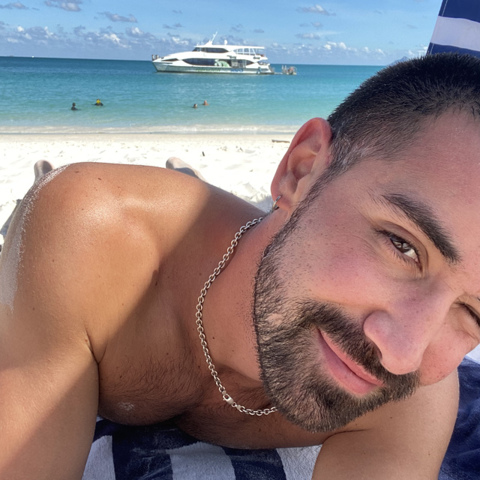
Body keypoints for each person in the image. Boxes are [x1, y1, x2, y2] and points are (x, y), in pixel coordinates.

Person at [1, 52, 480, 479]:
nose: (402, 356)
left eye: (474, 312)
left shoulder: (410, 397)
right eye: (402, 245)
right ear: (301, 170)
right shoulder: (95, 243)